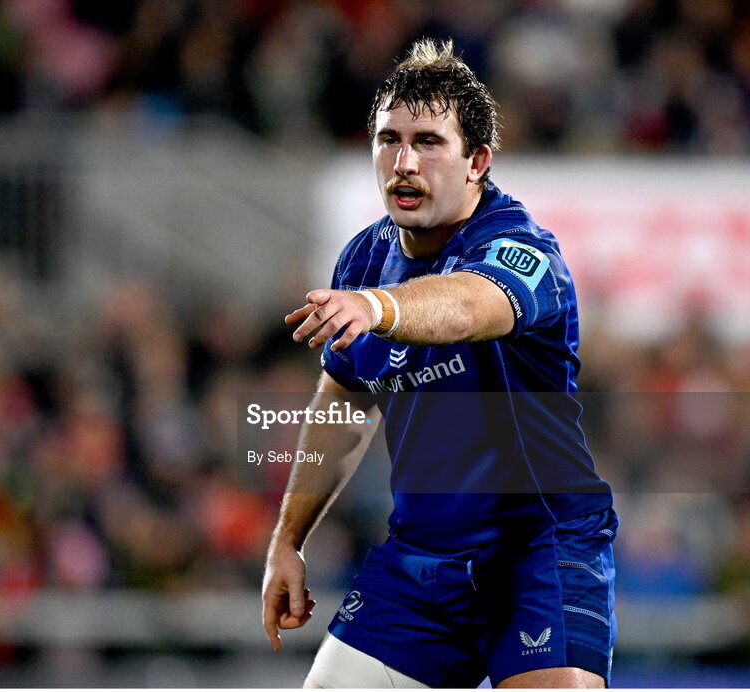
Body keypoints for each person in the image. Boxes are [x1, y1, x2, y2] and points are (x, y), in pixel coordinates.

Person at [260, 39, 617, 689]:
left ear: (477, 161)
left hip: (539, 554)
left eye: (428, 142)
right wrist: (288, 540)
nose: (403, 162)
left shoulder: (524, 252)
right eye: (388, 140)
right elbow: (343, 404)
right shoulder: (363, 259)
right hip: (422, 564)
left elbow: (468, 307)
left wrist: (378, 307)